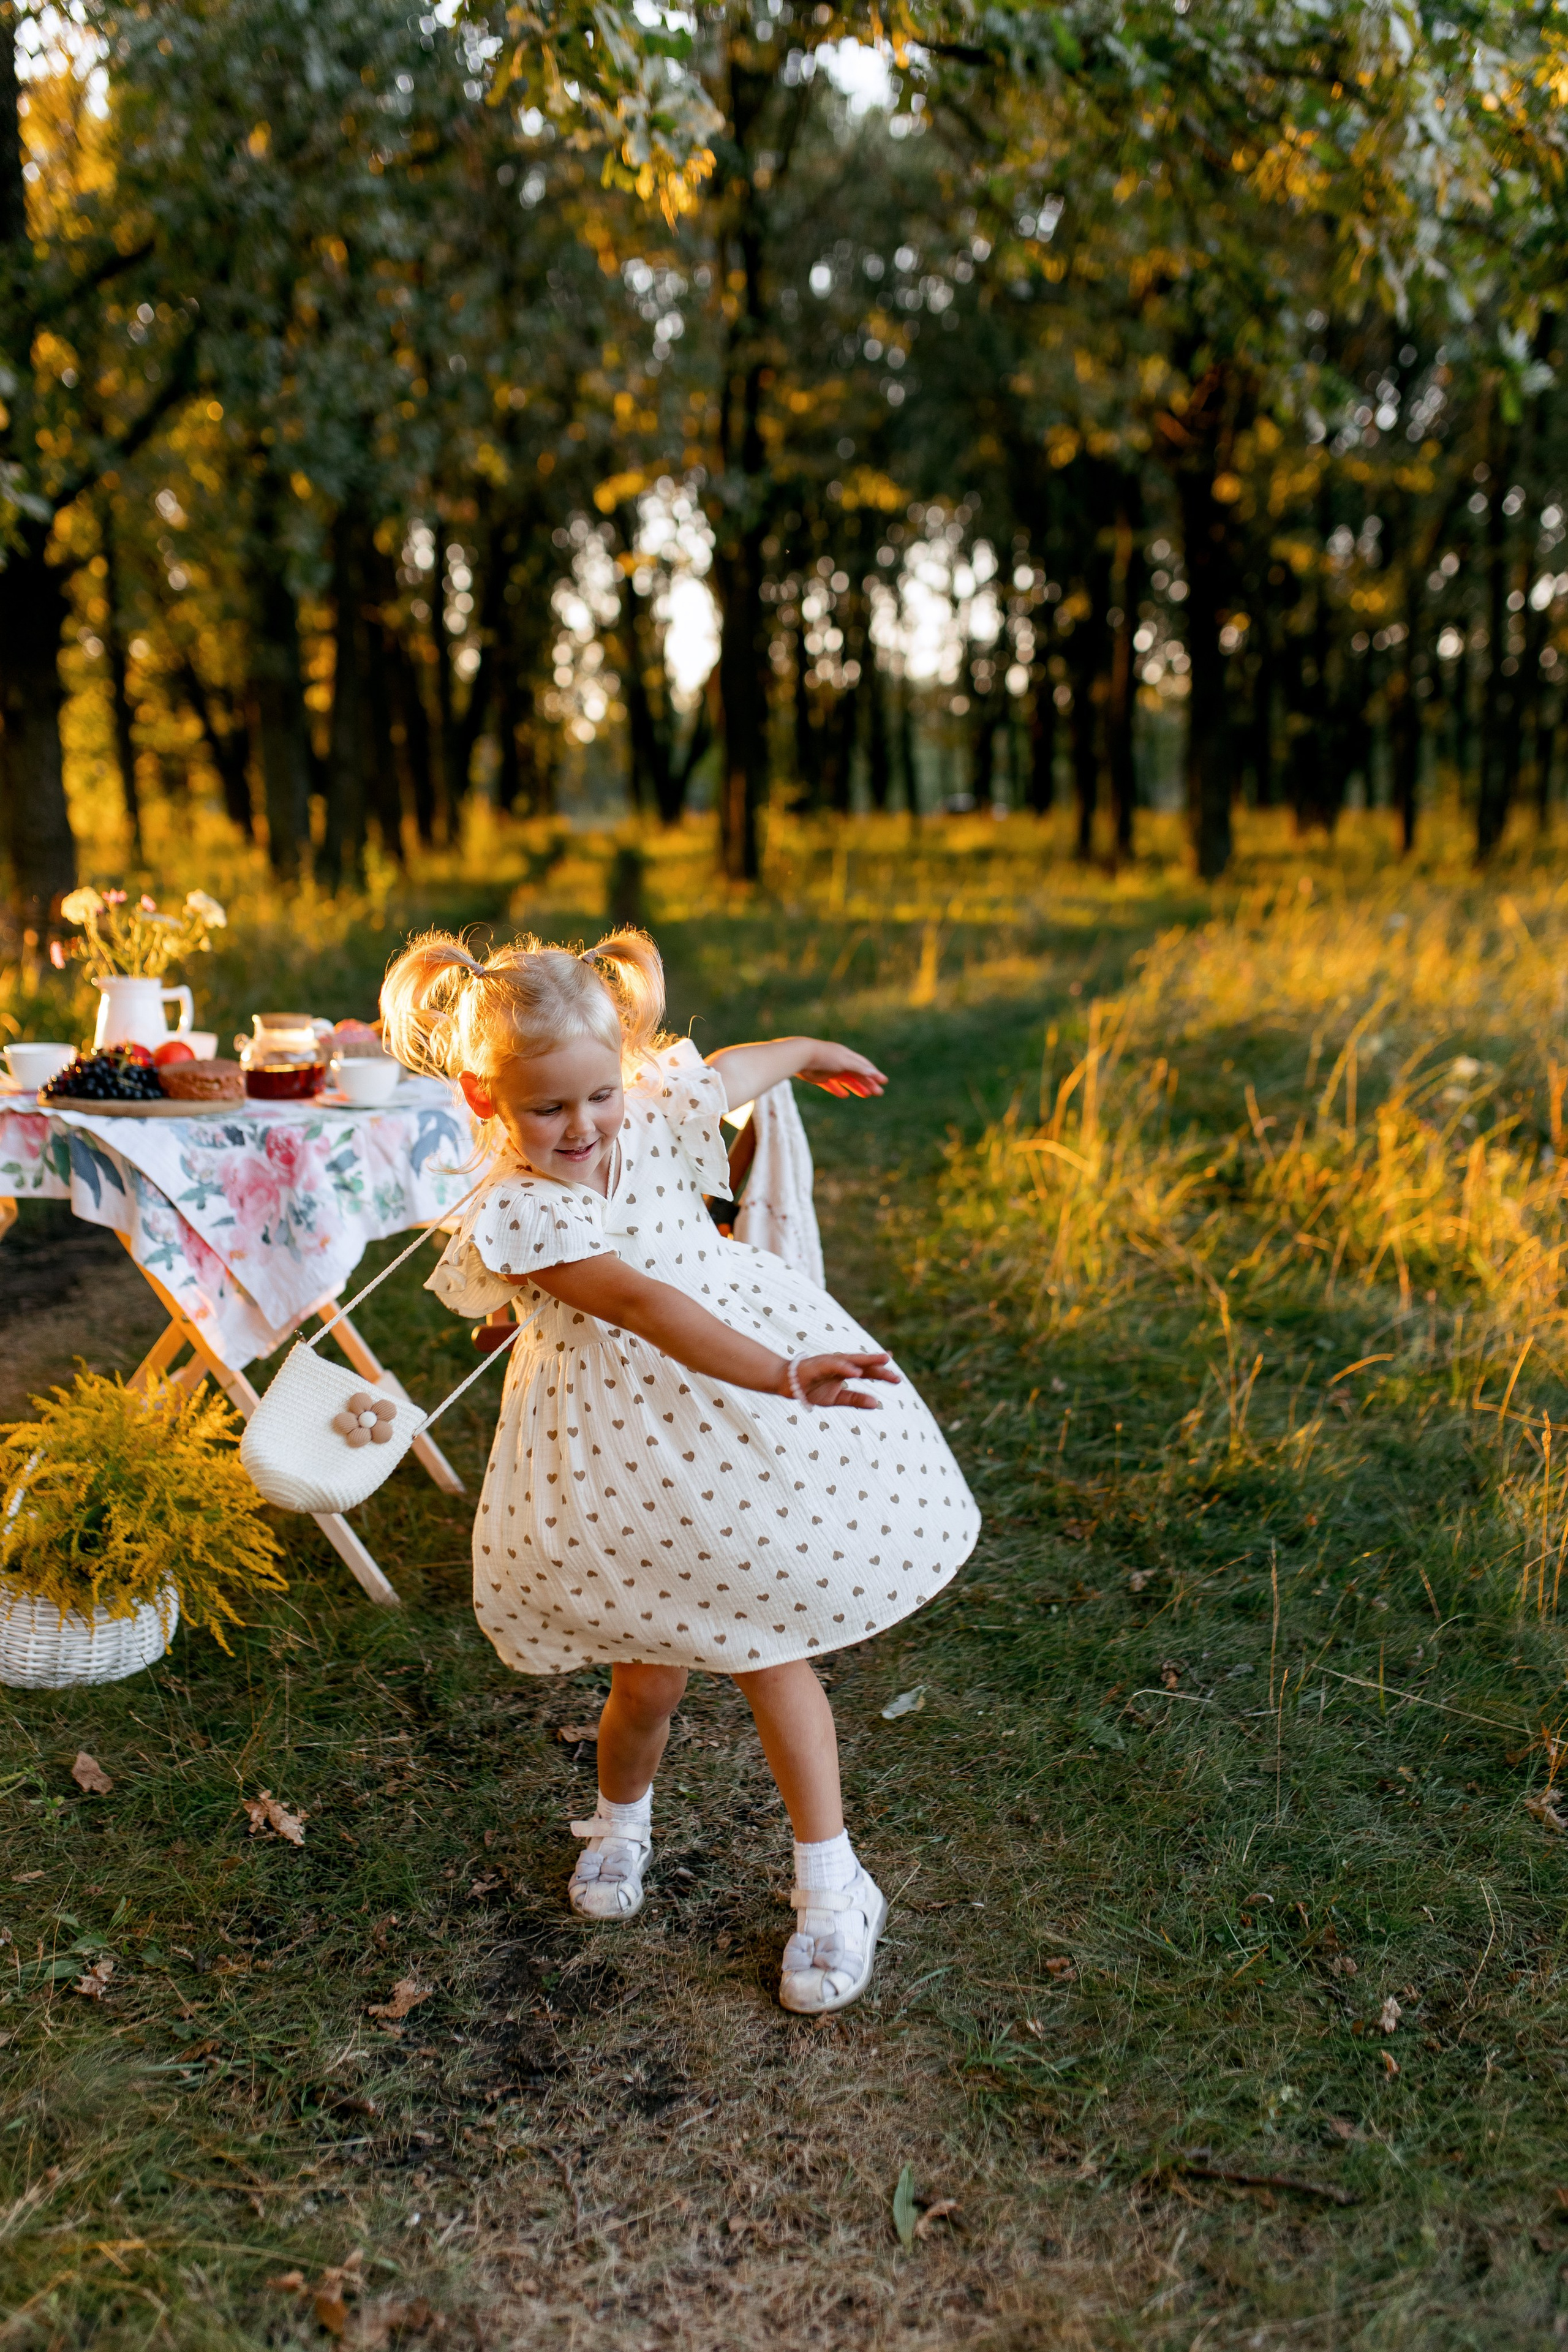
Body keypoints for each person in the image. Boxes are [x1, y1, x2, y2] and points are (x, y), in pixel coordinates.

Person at [380, 926, 980, 2015]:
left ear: (622, 1073)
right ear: (483, 1096)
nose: (583, 1125)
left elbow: (728, 1070)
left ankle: (834, 1883)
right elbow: (652, 1308)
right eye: (547, 1108)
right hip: (629, 1441)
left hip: (731, 1425)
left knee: (766, 1647)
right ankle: (620, 1821)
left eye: (597, 1096)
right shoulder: (520, 1207)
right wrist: (787, 1371)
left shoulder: (644, 1098)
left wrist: (807, 1049)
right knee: (645, 1672)